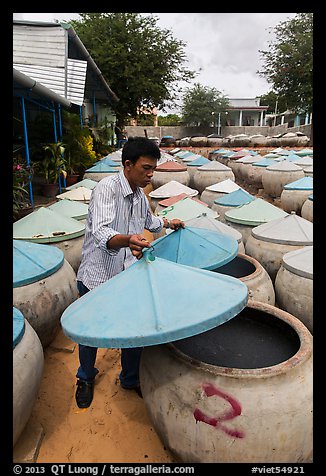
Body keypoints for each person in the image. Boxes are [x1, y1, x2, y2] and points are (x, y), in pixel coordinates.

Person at [75, 136, 185, 408]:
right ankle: (85, 377)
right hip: (98, 276)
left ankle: (130, 378)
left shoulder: (139, 194)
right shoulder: (106, 189)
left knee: (134, 328)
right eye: (146, 168)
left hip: (128, 276)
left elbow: (149, 221)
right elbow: (101, 232)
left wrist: (169, 223)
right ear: (128, 164)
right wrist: (128, 240)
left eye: (153, 169)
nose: (150, 174)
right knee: (90, 332)